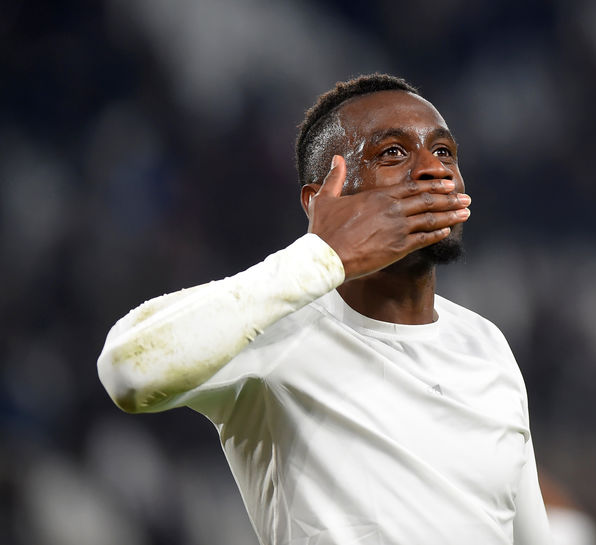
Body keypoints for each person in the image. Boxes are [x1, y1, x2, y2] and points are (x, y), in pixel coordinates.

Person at [98, 74, 551, 544]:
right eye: (393, 152)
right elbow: (126, 372)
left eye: (443, 152)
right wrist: (319, 256)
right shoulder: (274, 331)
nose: (434, 170)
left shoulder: (487, 345)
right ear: (321, 201)